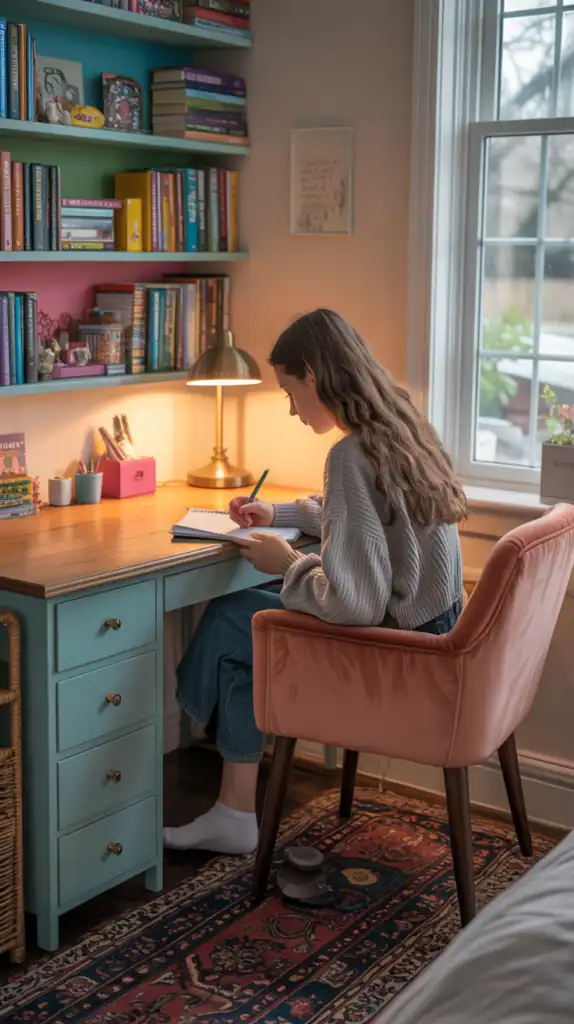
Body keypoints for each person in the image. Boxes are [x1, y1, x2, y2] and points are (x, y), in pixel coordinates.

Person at [163, 309, 466, 856]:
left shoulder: (348, 454)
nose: (291, 408)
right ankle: (230, 807)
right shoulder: (401, 423)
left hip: (399, 654)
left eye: (289, 390)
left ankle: (207, 755)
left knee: (239, 621)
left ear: (315, 375)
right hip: (437, 632)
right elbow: (364, 517)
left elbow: (354, 603)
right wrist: (276, 514)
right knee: (247, 629)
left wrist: (286, 563)